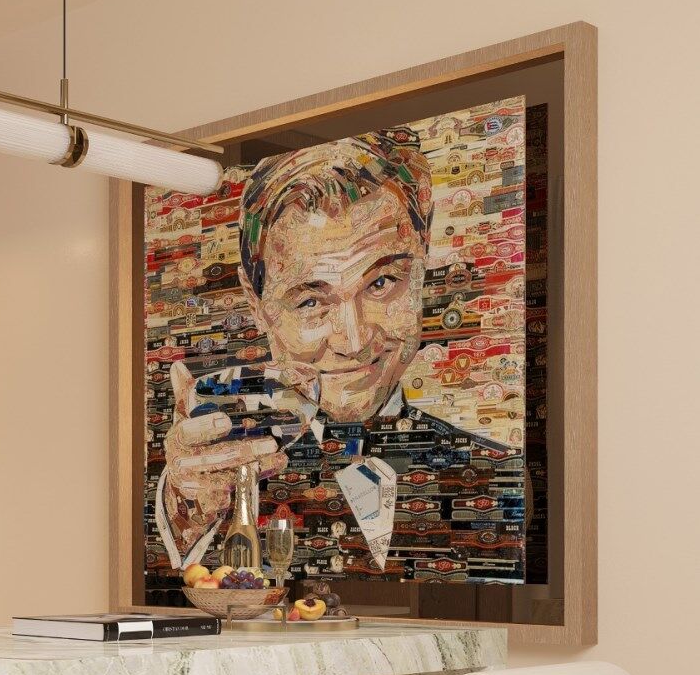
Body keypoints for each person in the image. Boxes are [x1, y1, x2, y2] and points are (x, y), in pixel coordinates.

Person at [155, 129, 526, 582]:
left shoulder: (501, 472)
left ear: (423, 261)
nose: (353, 341)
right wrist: (186, 509)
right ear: (256, 304)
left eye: (381, 283)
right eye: (310, 301)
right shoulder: (225, 463)